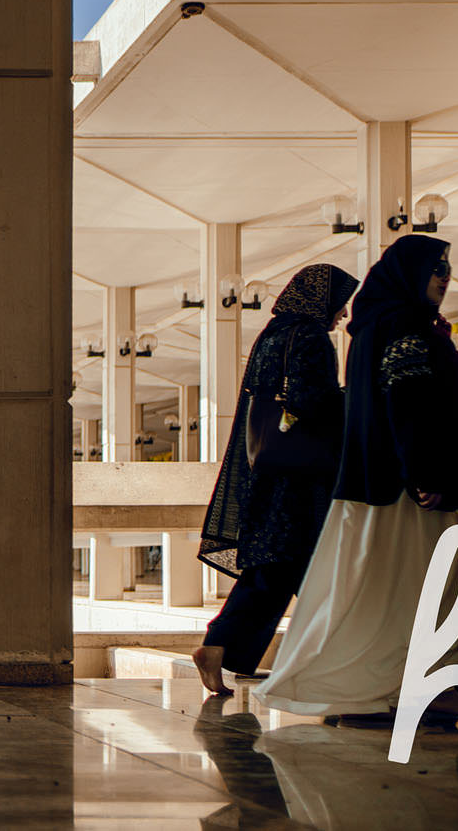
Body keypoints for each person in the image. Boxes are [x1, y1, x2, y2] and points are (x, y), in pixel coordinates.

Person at [253, 234, 458, 720]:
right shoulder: (405, 324)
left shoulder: (371, 328)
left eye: (447, 267)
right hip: (412, 491)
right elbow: (408, 406)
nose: (444, 277)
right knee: (442, 591)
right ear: (409, 274)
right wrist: (430, 475)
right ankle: (417, 688)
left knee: (382, 595)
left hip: (375, 486)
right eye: (435, 268)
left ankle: (374, 690)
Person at [194, 263, 359, 693]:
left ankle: (222, 647)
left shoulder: (271, 335)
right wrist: (355, 398)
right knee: (303, 567)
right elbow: (311, 401)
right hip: (303, 479)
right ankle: (335, 666)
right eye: (338, 303)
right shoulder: (309, 336)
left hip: (271, 469)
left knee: (278, 567)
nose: (341, 314)